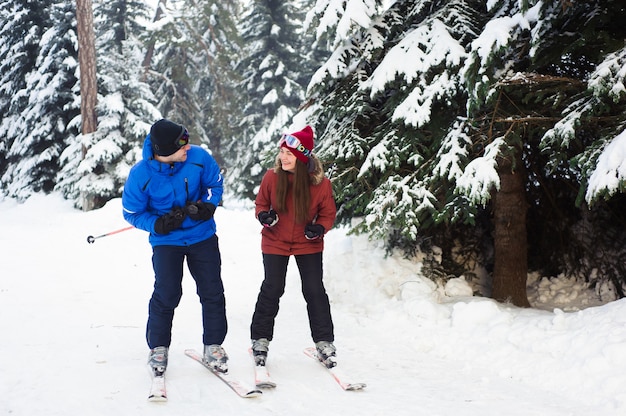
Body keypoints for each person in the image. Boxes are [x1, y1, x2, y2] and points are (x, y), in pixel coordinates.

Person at [122, 118, 228, 376]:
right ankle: (158, 347)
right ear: (164, 152)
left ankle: (213, 345)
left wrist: (208, 206)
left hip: (202, 236)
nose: (188, 148)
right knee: (168, 293)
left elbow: (215, 185)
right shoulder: (140, 175)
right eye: (182, 145)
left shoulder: (199, 158)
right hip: (166, 241)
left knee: (212, 290)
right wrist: (157, 224)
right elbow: (131, 212)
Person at [250, 125, 338, 368]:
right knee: (272, 287)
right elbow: (261, 204)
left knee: (314, 290)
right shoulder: (272, 177)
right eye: (282, 152)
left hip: (307, 243)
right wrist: (264, 216)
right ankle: (260, 339)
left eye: (289, 153)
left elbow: (327, 213)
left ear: (301, 156)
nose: (283, 157)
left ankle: (324, 342)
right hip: (275, 240)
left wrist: (319, 228)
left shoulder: (320, 184)